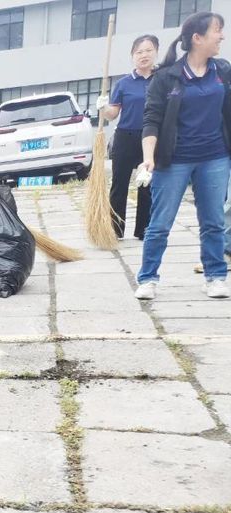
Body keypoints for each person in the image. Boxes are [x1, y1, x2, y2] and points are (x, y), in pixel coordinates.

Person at [133, 12, 230, 301]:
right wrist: (148, 156)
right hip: (173, 160)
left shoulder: (223, 71)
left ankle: (215, 276)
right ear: (197, 38)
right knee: (160, 222)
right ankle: (148, 278)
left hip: (215, 157)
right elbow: (151, 119)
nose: (222, 37)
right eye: (217, 31)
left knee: (213, 221)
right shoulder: (167, 77)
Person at [97, 34, 159, 240]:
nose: (144, 55)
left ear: (155, 52)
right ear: (132, 56)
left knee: (146, 184)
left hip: (150, 138)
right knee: (119, 185)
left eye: (148, 50)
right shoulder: (124, 84)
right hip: (125, 137)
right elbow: (113, 114)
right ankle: (115, 230)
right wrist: (103, 107)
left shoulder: (161, 80)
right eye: (139, 52)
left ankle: (144, 229)